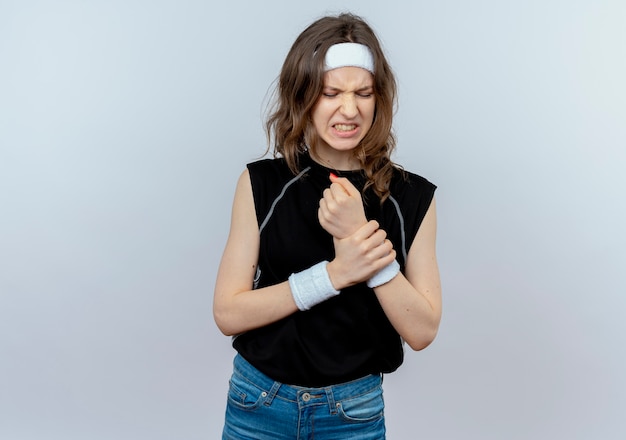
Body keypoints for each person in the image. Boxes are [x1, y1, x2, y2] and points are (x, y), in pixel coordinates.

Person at [213, 12, 441, 439]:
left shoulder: (412, 197)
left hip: (352, 413)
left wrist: (360, 239)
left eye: (364, 93)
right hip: (258, 403)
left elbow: (422, 329)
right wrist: (334, 275)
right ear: (304, 97)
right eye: (331, 92)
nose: (350, 109)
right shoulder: (262, 183)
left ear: (379, 99)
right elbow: (228, 312)